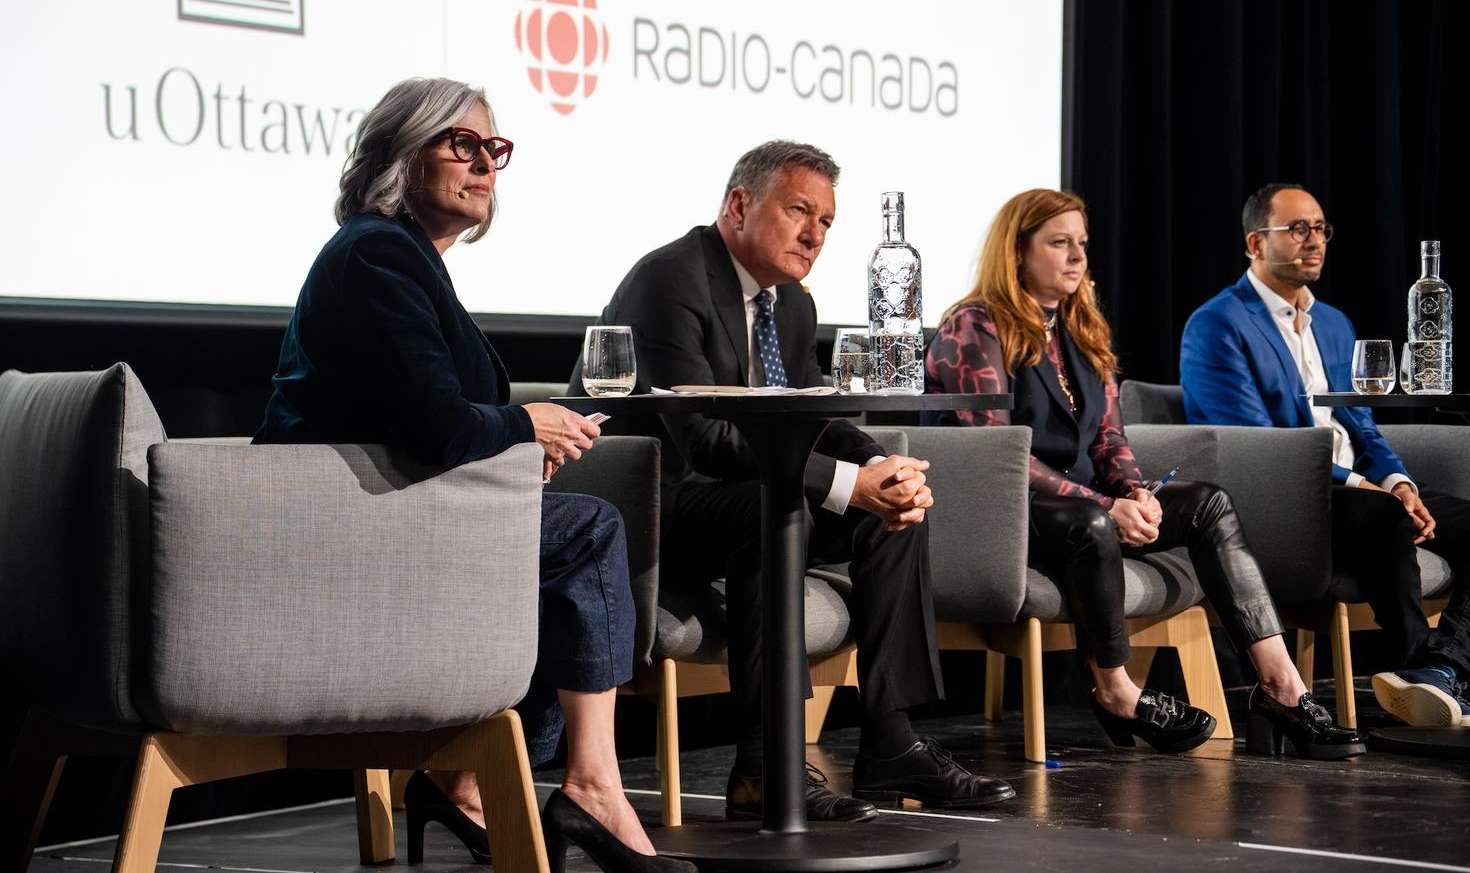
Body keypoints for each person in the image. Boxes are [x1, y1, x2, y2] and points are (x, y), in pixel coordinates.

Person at [255, 77, 693, 872]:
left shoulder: (398, 256)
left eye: (494, 147)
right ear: (400, 154)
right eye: (462, 144)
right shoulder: (379, 253)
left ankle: (463, 784)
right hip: (340, 529)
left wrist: (520, 446)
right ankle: (590, 788)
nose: (485, 163)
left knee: (549, 560)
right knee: (588, 534)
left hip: (378, 510)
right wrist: (526, 426)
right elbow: (438, 425)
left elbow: (416, 418)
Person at [573, 140, 1016, 817]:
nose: (815, 235)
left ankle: (891, 742)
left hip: (737, 496)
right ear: (739, 205)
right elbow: (706, 440)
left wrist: (878, 469)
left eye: (827, 222)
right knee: (775, 508)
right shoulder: (671, 280)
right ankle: (764, 766)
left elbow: (817, 413)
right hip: (648, 506)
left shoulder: (791, 304)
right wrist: (844, 484)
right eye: (799, 211)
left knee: (891, 513)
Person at [924, 188, 1363, 758]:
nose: (1077, 256)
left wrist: (1136, 492)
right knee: (1092, 523)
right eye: (1059, 243)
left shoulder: (1080, 325)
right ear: (1017, 253)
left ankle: (1281, 688)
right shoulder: (974, 324)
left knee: (1206, 502)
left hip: (1079, 504)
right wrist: (1107, 507)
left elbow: (1109, 438)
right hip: (1000, 510)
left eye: (1082, 243)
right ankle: (1115, 690)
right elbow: (994, 453)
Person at [1180, 183, 1470, 727]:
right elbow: (1252, 443)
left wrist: (1399, 481)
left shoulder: (1333, 323)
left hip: (1364, 489)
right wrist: (1367, 487)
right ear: (1255, 243)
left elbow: (1363, 426)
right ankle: (1415, 665)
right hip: (1288, 498)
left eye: (1320, 229)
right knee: (1384, 514)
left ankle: (1441, 669)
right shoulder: (1218, 324)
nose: (1314, 240)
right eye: (1297, 229)